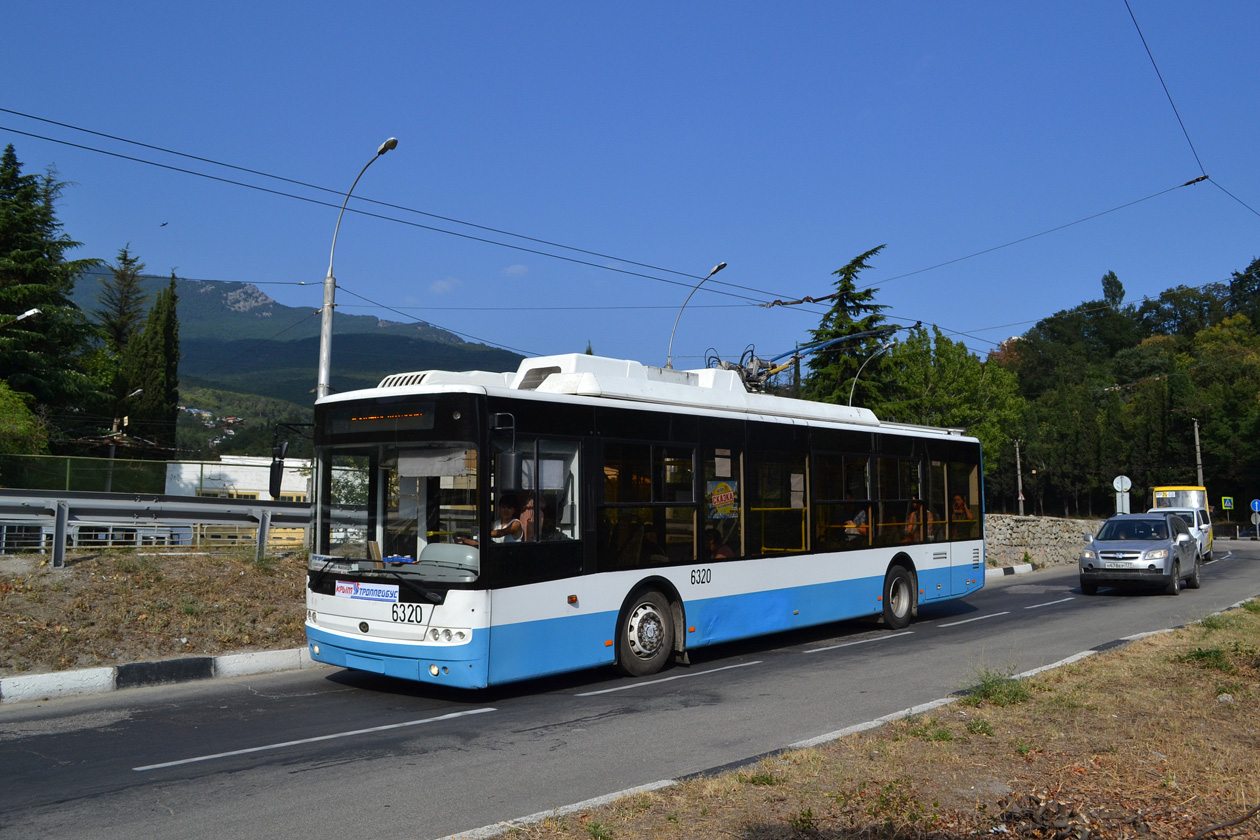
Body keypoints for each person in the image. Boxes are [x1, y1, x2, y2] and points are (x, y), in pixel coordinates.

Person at [457, 493, 522, 547]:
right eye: (503, 507)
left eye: (509, 508)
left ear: (514, 510)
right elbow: (479, 541)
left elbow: (502, 532)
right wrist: (464, 540)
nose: (506, 510)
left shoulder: (516, 524)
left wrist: (484, 534)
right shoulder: (494, 524)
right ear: (500, 509)